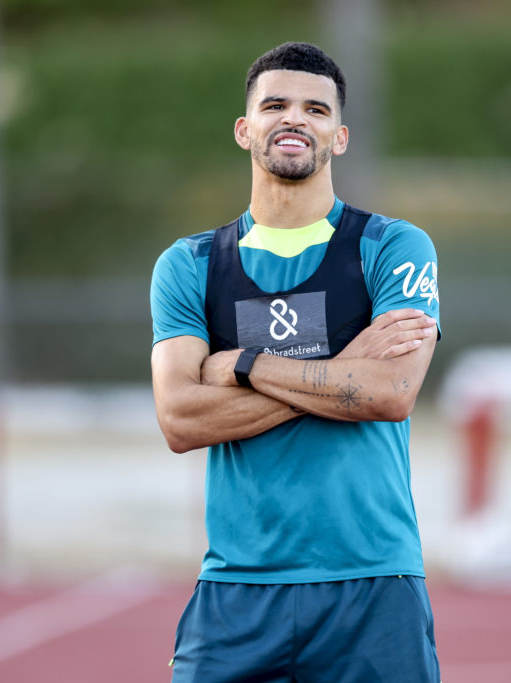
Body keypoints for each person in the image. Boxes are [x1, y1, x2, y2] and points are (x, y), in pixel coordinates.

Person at [150, 41, 442, 682]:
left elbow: (391, 391)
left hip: (372, 581)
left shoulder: (392, 247)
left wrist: (246, 365)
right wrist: (344, 371)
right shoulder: (190, 265)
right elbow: (180, 420)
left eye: (315, 109)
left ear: (339, 137)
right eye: (274, 104)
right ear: (243, 128)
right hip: (237, 589)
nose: (294, 119)